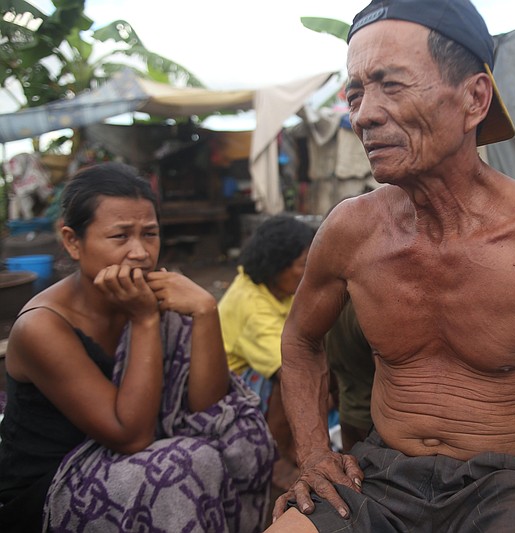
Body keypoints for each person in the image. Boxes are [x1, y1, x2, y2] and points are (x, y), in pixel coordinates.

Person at [267, 0, 515, 531]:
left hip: (514, 481)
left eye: (391, 85)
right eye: (356, 92)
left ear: (474, 99)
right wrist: (315, 455)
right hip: (381, 475)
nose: (364, 113)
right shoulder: (350, 231)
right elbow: (299, 341)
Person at [0, 162, 275, 533]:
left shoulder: (157, 294)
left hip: (138, 453)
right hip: (52, 487)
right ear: (72, 241)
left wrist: (206, 313)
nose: (140, 252)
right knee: (183, 466)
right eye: (120, 236)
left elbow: (208, 413)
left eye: (150, 234)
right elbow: (131, 435)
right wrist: (145, 320)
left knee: (246, 439)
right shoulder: (43, 327)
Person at [217, 215, 315, 488]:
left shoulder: (277, 290)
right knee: (296, 379)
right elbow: (291, 372)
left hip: (256, 381)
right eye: (302, 265)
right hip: (232, 397)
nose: (308, 272)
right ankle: (277, 456)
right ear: (276, 267)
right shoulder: (252, 308)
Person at [324, 299, 374, 452]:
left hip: (348, 415)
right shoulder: (372, 311)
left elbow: (330, 378)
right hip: (374, 424)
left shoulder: (327, 309)